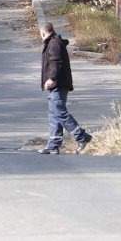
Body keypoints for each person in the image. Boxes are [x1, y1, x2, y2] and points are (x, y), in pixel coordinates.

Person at [39, 22, 92, 154]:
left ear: (43, 33)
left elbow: (56, 62)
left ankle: (82, 137)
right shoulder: (54, 42)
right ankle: (53, 144)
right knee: (54, 115)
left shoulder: (53, 44)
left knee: (60, 112)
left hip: (58, 84)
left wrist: (51, 78)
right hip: (57, 85)